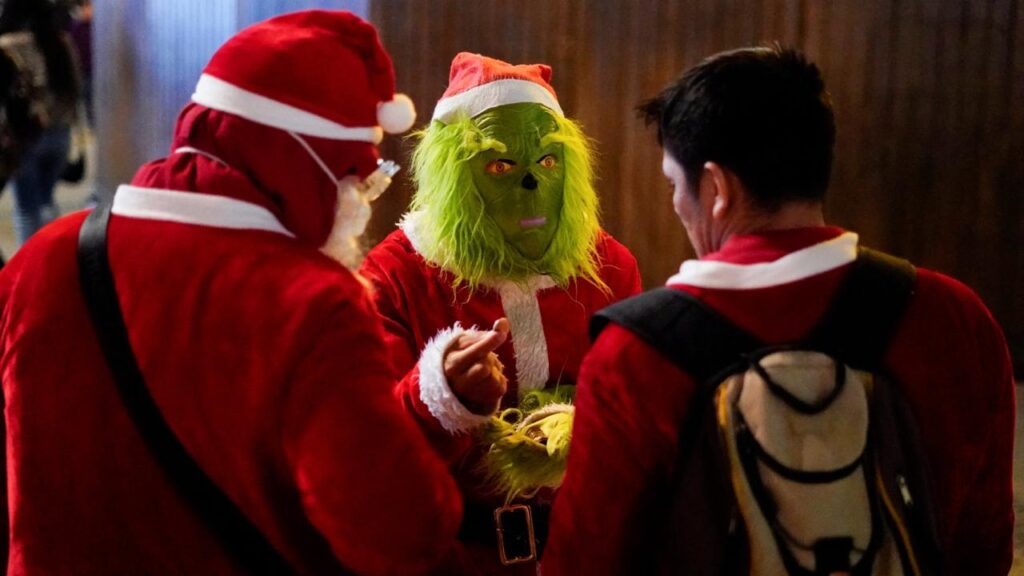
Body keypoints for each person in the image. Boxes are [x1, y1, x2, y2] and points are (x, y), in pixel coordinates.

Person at [0, 10, 462, 574]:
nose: (363, 206)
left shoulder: (45, 257)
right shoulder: (313, 305)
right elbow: (399, 534)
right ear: (310, 164)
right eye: (361, 179)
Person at [543, 46, 1015, 575]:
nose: (676, 202)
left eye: (674, 183)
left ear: (716, 189)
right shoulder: (954, 318)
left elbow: (581, 562)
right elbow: (985, 547)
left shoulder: (636, 354)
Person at [359, 53, 641, 574]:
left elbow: (634, 417)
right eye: (500, 166)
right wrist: (440, 393)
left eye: (548, 161)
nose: (531, 184)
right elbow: (370, 449)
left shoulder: (610, 267)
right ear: (452, 175)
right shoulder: (395, 276)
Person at [0, 0, 81, 247]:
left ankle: (32, 262)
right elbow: (76, 87)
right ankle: (52, 256)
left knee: (27, 208)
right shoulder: (61, 42)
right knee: (46, 201)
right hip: (61, 134)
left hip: (26, 137)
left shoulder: (8, 46)